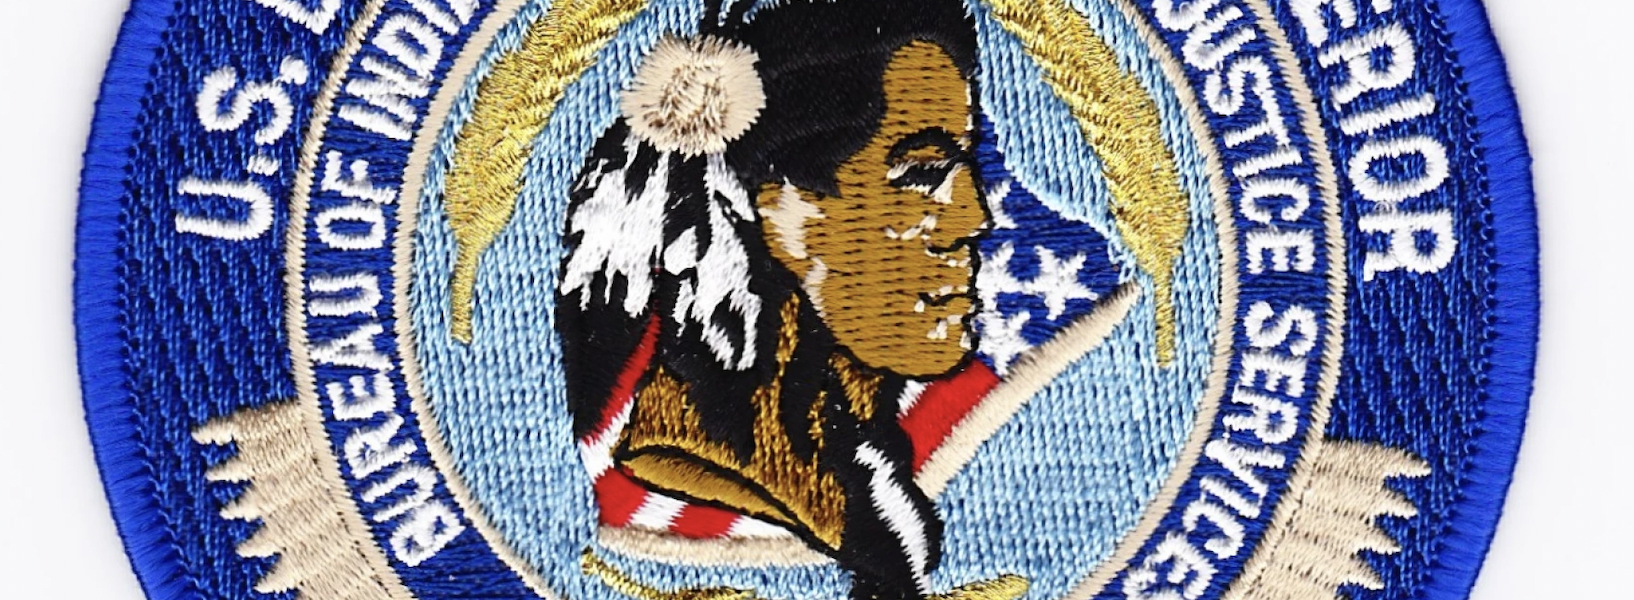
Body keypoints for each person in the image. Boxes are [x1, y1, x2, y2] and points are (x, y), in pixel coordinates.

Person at [557, 2, 989, 599]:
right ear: (782, 208)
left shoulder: (865, 464)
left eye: (965, 167)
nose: (972, 216)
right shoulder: (712, 473)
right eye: (922, 173)